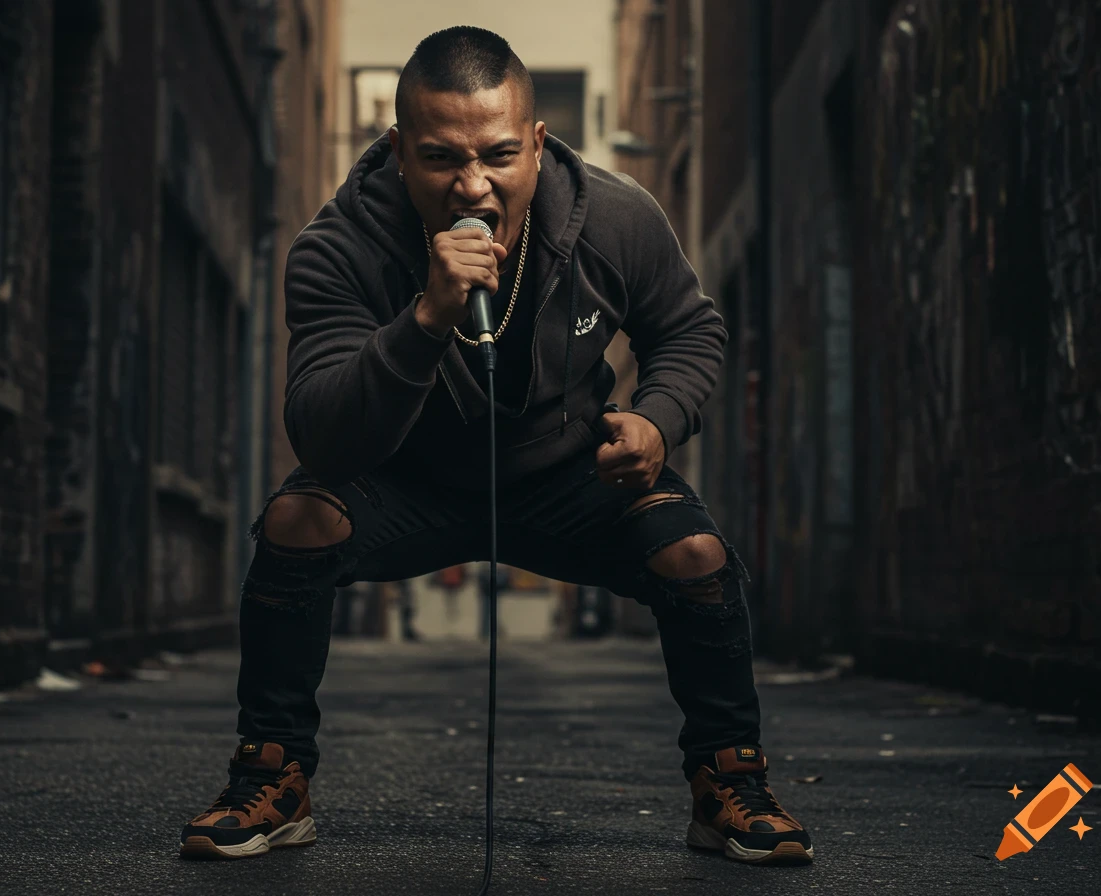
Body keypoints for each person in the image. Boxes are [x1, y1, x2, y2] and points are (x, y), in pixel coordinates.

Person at [179, 26, 813, 866]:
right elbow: (324, 434)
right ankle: (275, 774)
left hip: (565, 478)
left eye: (500, 155)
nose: (473, 185)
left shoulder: (616, 218)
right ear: (400, 151)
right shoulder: (337, 248)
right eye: (441, 159)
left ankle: (728, 785)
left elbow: (691, 329)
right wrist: (426, 320)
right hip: (402, 484)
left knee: (694, 551)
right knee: (298, 519)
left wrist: (659, 418)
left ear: (539, 146)